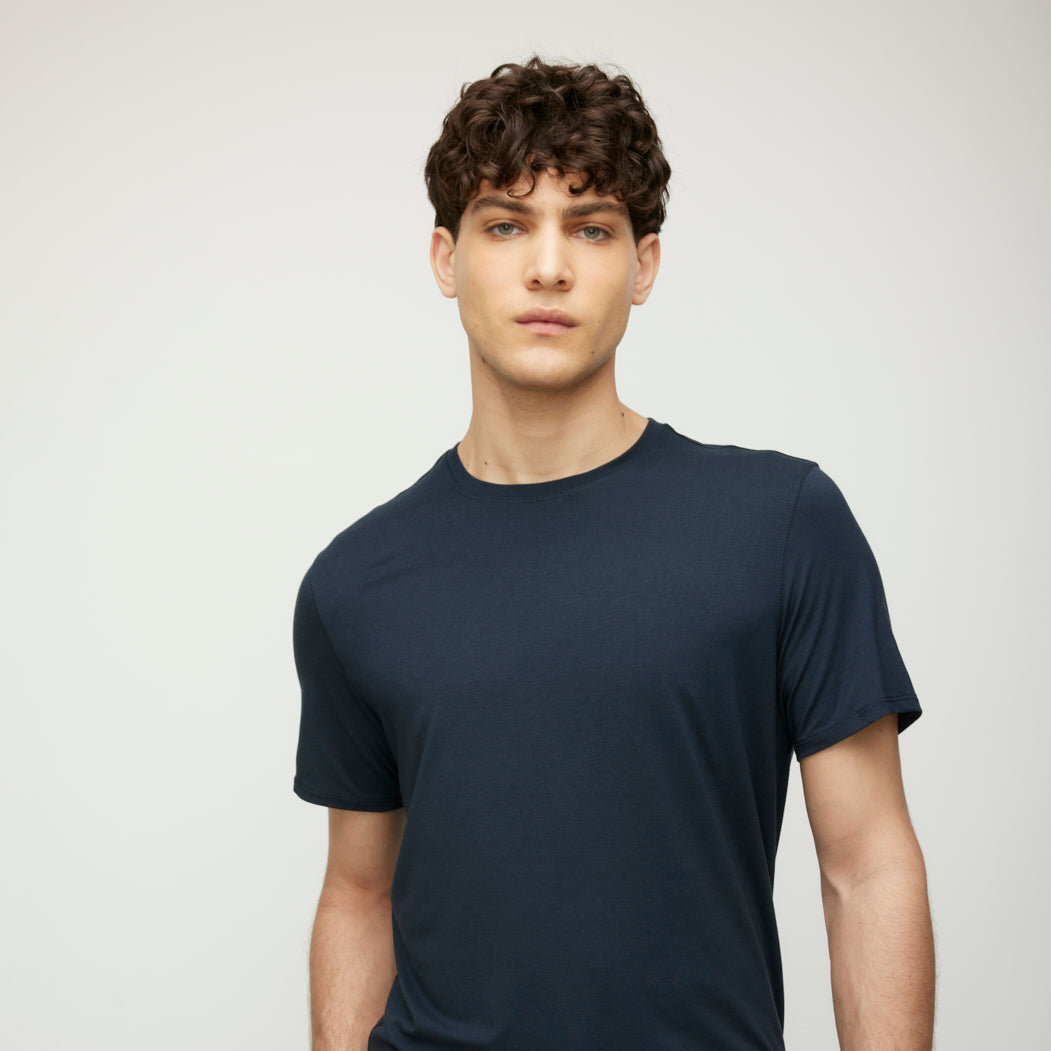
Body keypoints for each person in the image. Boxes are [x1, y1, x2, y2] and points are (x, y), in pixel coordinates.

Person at [293, 57, 935, 1051]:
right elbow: (357, 890)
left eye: (590, 227)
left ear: (643, 265)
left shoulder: (780, 524)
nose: (548, 267)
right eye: (506, 224)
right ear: (445, 258)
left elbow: (866, 864)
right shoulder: (355, 583)